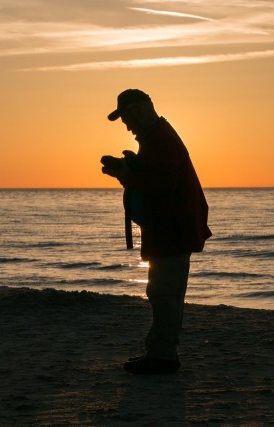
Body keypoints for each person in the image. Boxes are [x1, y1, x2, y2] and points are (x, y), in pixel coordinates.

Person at [102, 89, 212, 374]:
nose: (127, 125)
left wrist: (126, 173)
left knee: (164, 294)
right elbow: (158, 176)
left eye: (126, 117)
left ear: (140, 110)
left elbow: (163, 184)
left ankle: (162, 357)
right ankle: (161, 353)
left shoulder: (161, 140)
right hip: (167, 229)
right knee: (162, 293)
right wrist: (131, 166)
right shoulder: (156, 138)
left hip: (172, 230)